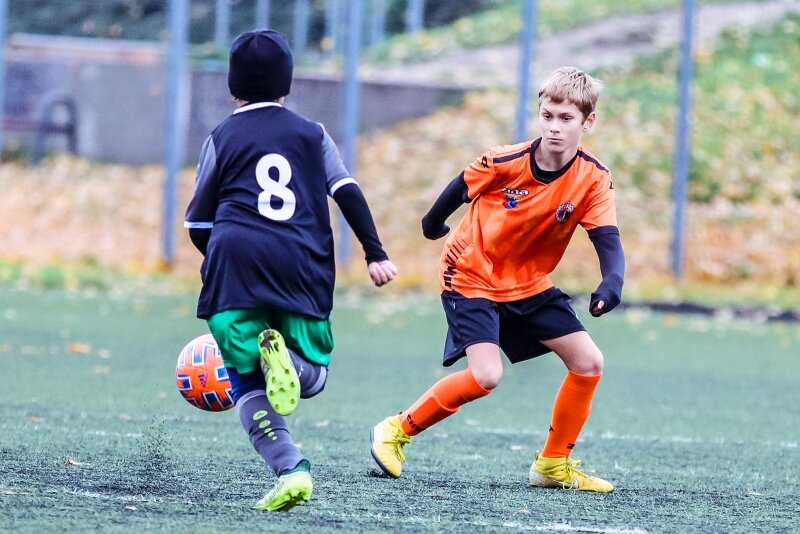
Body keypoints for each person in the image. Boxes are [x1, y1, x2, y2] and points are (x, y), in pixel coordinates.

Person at [369, 66, 624, 492]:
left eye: (566, 118)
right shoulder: (504, 161)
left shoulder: (593, 178)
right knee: (486, 376)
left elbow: (608, 240)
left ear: (588, 121)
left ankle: (552, 465)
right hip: (470, 274)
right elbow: (458, 190)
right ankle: (395, 429)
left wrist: (612, 281)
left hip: (528, 282)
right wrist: (432, 225)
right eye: (547, 115)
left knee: (588, 362)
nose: (554, 127)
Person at [185, 29, 398, 511]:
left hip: (235, 263)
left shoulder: (221, 137)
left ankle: (291, 469)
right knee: (314, 376)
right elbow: (346, 191)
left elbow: (197, 222)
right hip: (301, 261)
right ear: (287, 83)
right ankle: (289, 363)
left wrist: (220, 261)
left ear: (233, 88)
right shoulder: (312, 133)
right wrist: (375, 252)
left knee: (244, 381)